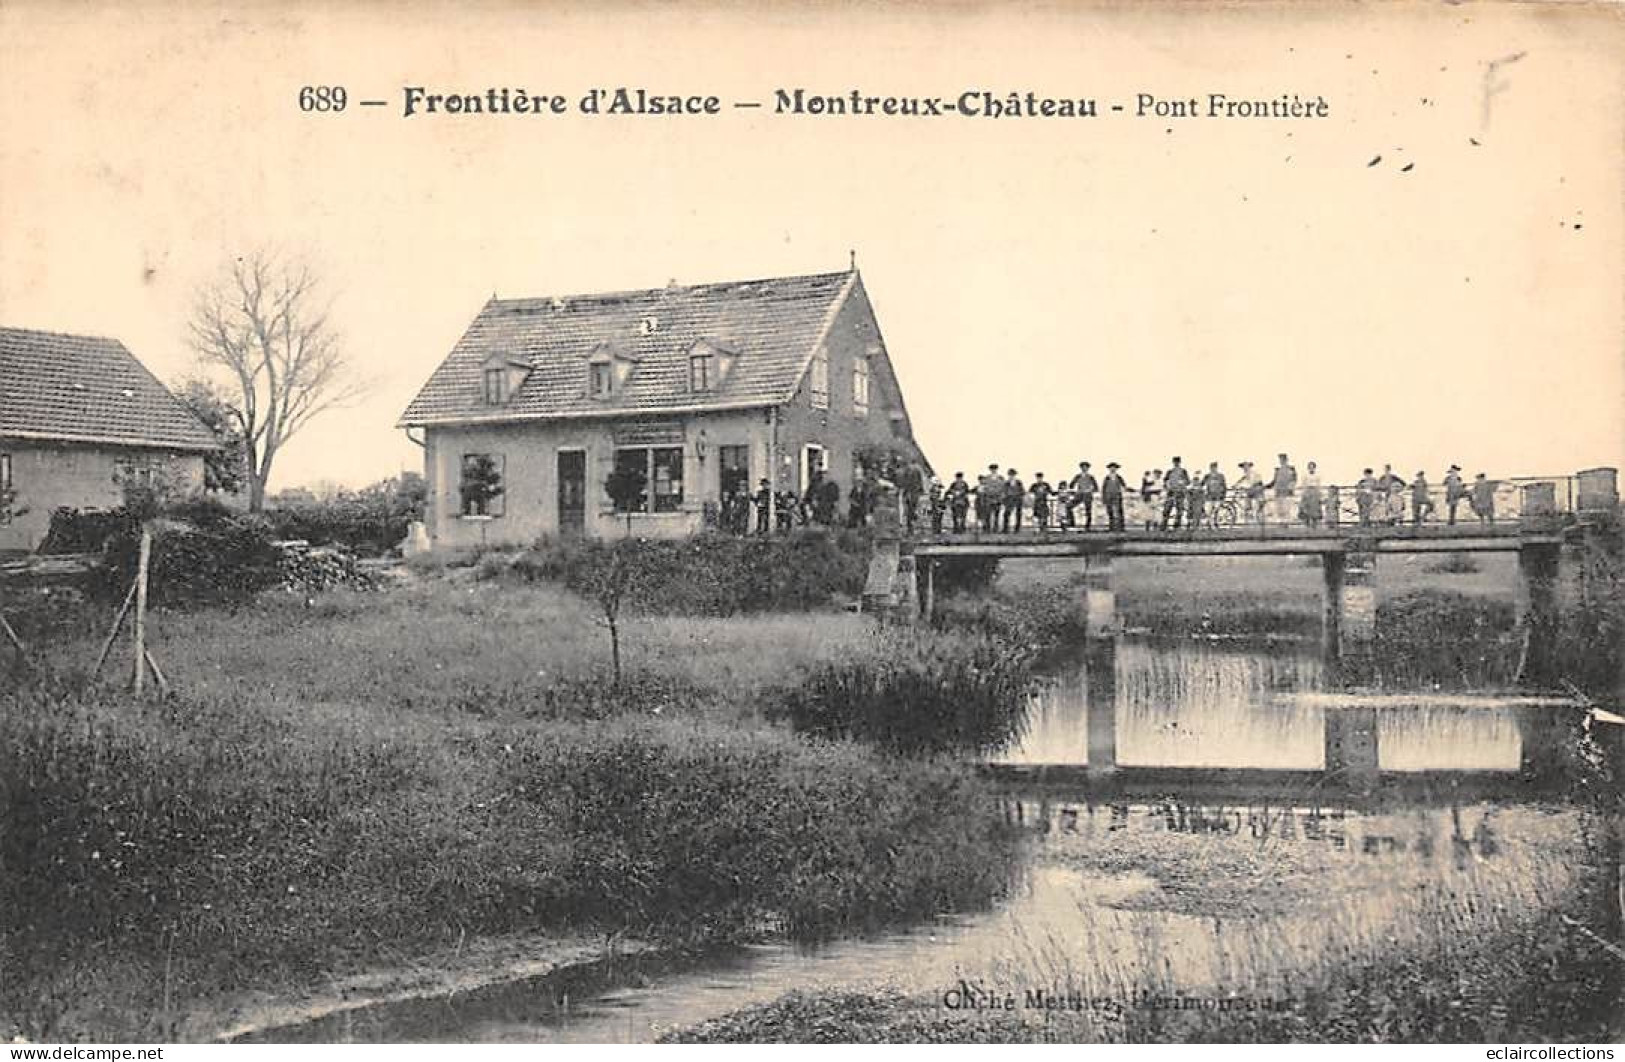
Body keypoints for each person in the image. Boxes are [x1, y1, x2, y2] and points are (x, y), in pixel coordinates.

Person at [1161, 458, 1190, 531]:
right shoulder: (1170, 471)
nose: (1176, 464)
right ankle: (1163, 526)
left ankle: (1176, 526)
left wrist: (1182, 483)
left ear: (1180, 463)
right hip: (1171, 493)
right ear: (1173, 463)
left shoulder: (1183, 471)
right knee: (1167, 510)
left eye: (1177, 462)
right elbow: (1165, 481)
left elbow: (1188, 482)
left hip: (1180, 493)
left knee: (1179, 510)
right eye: (1175, 462)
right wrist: (1168, 486)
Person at [1070, 461, 1098, 532]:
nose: (1084, 469)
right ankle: (1071, 524)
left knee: (1088, 511)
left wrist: (1090, 490)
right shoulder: (1078, 476)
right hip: (1079, 494)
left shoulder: (1091, 477)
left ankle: (1087, 527)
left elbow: (1096, 488)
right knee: (1069, 506)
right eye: (1083, 467)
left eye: (1086, 467)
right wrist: (1075, 491)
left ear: (1088, 468)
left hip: (1087, 494)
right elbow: (1071, 485)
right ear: (1081, 468)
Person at [976, 463, 1002, 533]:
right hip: (989, 499)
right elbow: (985, 488)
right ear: (990, 470)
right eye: (992, 469)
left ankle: (995, 529)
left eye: (995, 469)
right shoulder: (987, 478)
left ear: (997, 470)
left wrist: (998, 495)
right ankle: (988, 529)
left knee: (996, 515)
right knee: (988, 515)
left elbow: (1002, 488)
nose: (993, 471)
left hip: (997, 499)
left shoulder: (1000, 478)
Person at [1102, 462, 1127, 532]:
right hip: (1108, 496)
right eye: (1111, 468)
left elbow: (1124, 486)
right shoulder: (1107, 478)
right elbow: (1103, 488)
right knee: (1110, 512)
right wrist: (1104, 498)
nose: (1113, 469)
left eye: (1114, 468)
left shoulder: (1119, 477)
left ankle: (1121, 528)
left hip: (1117, 496)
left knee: (1119, 512)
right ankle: (1111, 527)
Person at [1298, 461, 1324, 527]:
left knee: (1315, 509)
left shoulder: (1317, 476)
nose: (1311, 469)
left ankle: (1314, 524)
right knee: (1306, 508)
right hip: (1307, 492)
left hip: (1315, 492)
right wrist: (1303, 493)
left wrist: (1319, 494)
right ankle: (1307, 524)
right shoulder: (1305, 475)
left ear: (1314, 468)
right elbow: (1303, 484)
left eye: (1312, 467)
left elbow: (1319, 485)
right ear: (1308, 468)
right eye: (1310, 467)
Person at [1202, 462, 1227, 528]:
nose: (1213, 469)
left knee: (1215, 511)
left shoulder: (1221, 476)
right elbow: (1201, 484)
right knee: (1208, 512)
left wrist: (1223, 496)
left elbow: (1224, 486)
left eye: (1214, 467)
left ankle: (1213, 525)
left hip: (1218, 497)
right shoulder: (1207, 476)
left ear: (1216, 468)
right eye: (1211, 467)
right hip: (1209, 497)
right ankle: (1211, 526)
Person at [1002, 468, 1025, 533]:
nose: (1011, 476)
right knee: (1006, 514)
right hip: (1009, 500)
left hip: (1017, 500)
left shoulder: (1018, 482)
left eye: (1013, 475)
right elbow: (1004, 492)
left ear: (1015, 475)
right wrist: (1005, 500)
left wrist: (1019, 496)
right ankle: (1005, 529)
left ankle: (1017, 529)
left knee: (1018, 515)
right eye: (1010, 475)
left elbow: (1022, 491)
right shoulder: (1006, 483)